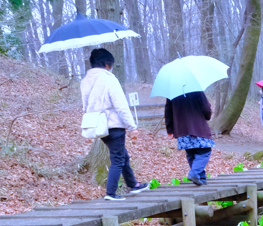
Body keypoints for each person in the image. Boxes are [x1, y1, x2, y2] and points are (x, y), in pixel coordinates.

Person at [80, 48, 148, 200]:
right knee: (117, 158)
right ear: (106, 64)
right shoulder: (109, 79)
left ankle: (133, 185)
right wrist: (132, 127)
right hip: (113, 124)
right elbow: (121, 106)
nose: (110, 68)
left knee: (122, 155)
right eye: (110, 65)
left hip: (98, 125)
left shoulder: (85, 81)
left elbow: (86, 104)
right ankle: (110, 193)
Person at [164, 91, 214, 186]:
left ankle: (201, 178)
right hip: (198, 128)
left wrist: (170, 129)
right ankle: (194, 173)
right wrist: (208, 116)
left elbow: (168, 111)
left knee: (191, 153)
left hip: (181, 130)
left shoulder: (172, 92)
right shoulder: (196, 89)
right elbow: (206, 108)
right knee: (205, 152)